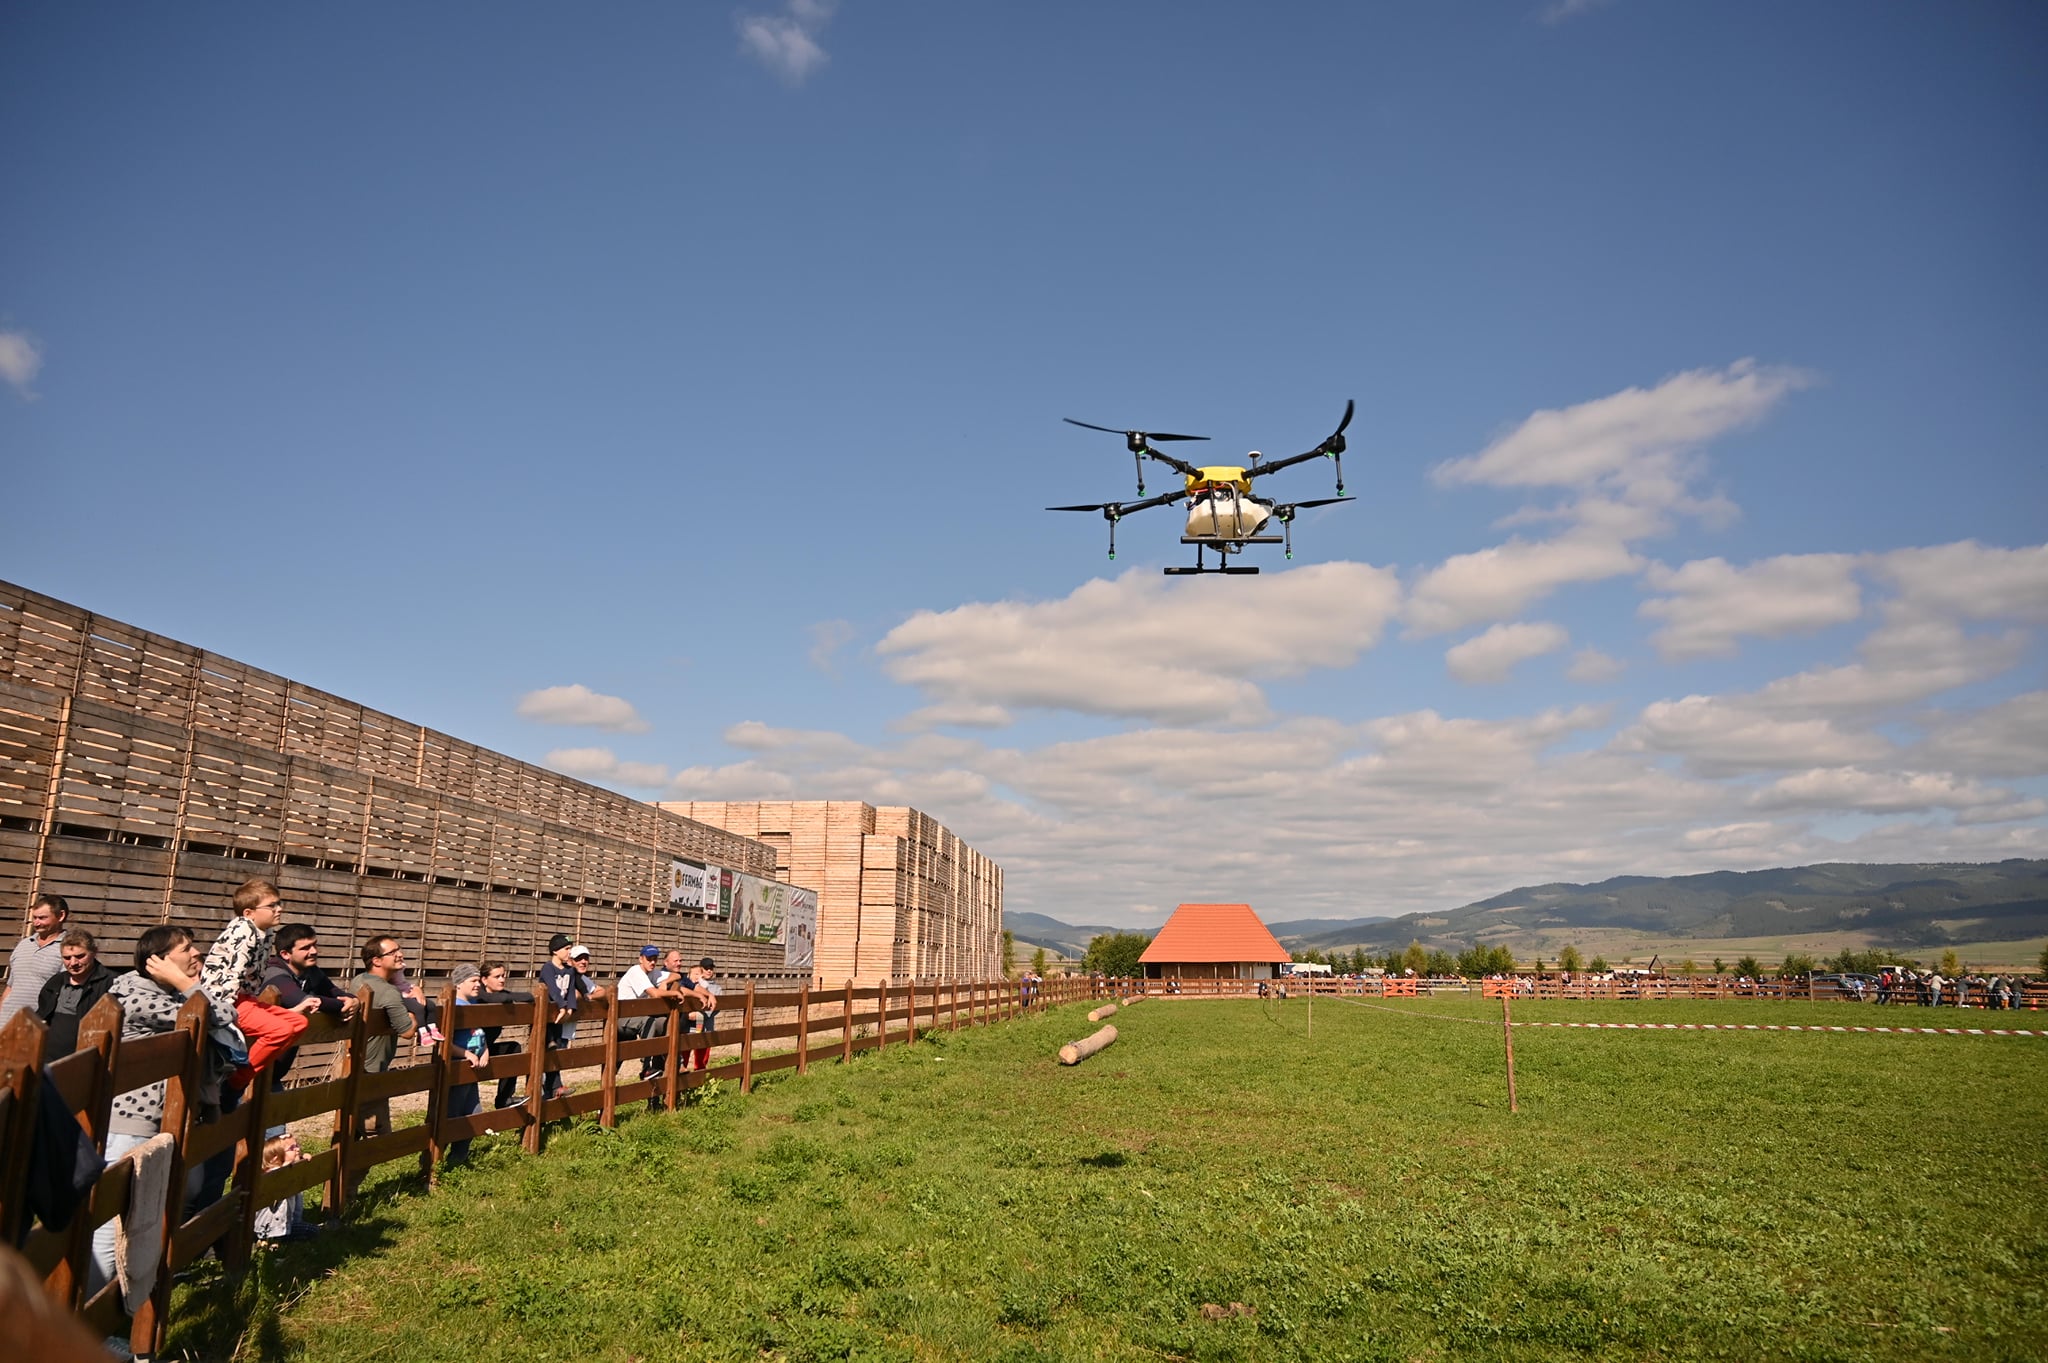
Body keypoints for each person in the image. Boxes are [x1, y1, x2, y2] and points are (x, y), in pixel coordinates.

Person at [90, 925, 210, 1296]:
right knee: (111, 1223)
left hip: (166, 1117)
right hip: (131, 1123)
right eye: (186, 949)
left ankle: (139, 1291)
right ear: (156, 961)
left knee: (186, 1188)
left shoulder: (168, 994)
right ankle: (87, 1318)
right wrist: (185, 982)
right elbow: (215, 1015)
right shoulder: (137, 995)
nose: (196, 954)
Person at [199, 880, 317, 1094]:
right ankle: (235, 1082)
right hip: (226, 1001)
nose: (279, 909)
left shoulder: (266, 933)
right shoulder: (242, 931)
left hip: (246, 998)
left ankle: (243, 1074)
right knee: (280, 1030)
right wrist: (226, 1015)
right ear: (249, 912)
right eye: (272, 905)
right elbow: (232, 972)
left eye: (279, 903)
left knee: (298, 1023)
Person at [260, 924, 359, 1086]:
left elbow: (335, 993)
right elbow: (302, 1001)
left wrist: (353, 1001)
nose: (313, 951)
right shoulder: (274, 974)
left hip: (274, 1074)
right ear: (285, 954)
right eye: (305, 948)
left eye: (314, 945)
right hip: (249, 1071)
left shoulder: (311, 972)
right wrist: (328, 1003)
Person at [349, 936, 417, 1137]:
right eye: (393, 952)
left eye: (399, 949)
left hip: (352, 1065)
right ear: (376, 960)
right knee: (376, 1136)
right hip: (373, 1072)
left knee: (350, 1131)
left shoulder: (359, 981)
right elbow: (407, 1031)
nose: (400, 955)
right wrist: (412, 1014)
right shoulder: (388, 992)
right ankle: (357, 1169)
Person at [34, 930, 119, 1056]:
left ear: (94, 952)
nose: (73, 963)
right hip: (47, 1059)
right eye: (67, 958)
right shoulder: (55, 982)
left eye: (80, 956)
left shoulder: (112, 984)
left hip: (85, 1059)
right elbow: (41, 1016)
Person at [1, 892, 70, 1029]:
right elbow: (10, 986)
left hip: (37, 1025)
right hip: (5, 1023)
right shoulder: (24, 944)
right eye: (35, 918)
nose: (36, 923)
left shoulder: (68, 949)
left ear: (61, 916)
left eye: (42, 918)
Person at [441, 964, 487, 1165]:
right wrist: (466, 1053)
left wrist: (486, 1050)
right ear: (459, 984)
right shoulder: (455, 1005)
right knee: (452, 1114)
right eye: (473, 981)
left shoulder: (474, 1005)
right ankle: (434, 1160)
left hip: (473, 1068)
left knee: (474, 1113)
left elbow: (479, 1033)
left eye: (479, 981)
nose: (478, 984)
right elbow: (444, 1041)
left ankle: (458, 1158)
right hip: (458, 1068)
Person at [476, 961, 532, 1109]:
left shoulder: (501, 994)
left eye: (503, 976)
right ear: (484, 980)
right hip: (468, 1050)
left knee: (513, 1048)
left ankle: (504, 1099)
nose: (502, 980)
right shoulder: (478, 994)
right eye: (497, 976)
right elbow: (496, 999)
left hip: (486, 1048)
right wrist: (509, 997)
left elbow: (528, 996)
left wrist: (509, 996)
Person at [536, 934, 579, 1100]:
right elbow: (552, 989)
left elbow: (571, 992)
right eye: (566, 949)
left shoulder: (570, 970)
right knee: (546, 1050)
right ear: (555, 951)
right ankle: (547, 1087)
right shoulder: (548, 968)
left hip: (560, 1018)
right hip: (546, 1018)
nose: (569, 952)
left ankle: (554, 1088)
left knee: (557, 1052)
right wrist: (562, 1006)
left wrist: (570, 1009)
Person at [251, 1135, 317, 1243]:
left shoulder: (289, 1169)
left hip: (284, 1225)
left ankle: (273, 1241)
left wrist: (301, 1160)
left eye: (297, 1145)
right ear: (275, 1158)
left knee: (309, 1230)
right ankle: (269, 1241)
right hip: (270, 1228)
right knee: (312, 1230)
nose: (298, 1149)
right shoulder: (270, 1175)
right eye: (292, 1148)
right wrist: (285, 1168)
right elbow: (276, 1181)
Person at [687, 957, 721, 1072]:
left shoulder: (716, 988)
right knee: (684, 1053)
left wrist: (700, 1014)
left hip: (705, 1027)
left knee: (702, 1058)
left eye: (711, 968)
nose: (709, 971)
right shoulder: (692, 984)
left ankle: (699, 1080)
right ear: (701, 969)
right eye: (706, 968)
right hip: (689, 1026)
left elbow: (715, 1008)